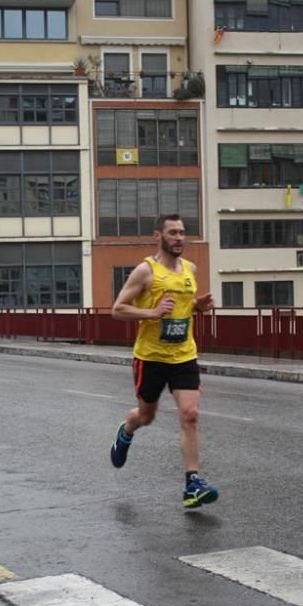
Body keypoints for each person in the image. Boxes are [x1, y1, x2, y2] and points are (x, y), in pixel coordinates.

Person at [110, 214, 217, 509]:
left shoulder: (190, 270)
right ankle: (127, 429)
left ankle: (192, 483)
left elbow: (185, 308)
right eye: (173, 232)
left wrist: (199, 307)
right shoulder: (146, 271)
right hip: (151, 357)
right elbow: (118, 309)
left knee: (190, 415)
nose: (180, 238)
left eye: (183, 232)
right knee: (146, 416)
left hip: (184, 354)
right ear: (158, 236)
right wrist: (152, 313)